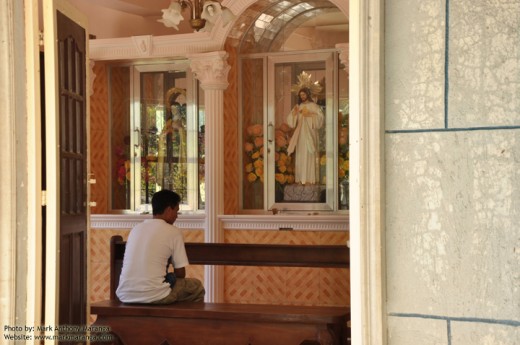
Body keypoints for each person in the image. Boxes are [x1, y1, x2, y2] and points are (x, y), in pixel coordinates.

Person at [116, 189, 205, 304]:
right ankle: (179, 321)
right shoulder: (173, 231)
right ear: (168, 210)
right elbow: (180, 273)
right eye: (176, 211)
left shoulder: (136, 229)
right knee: (196, 287)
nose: (177, 216)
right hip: (155, 295)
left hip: (125, 294)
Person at [286, 87, 324, 185]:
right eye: (301, 95)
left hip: (310, 135)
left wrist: (310, 114)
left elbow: (320, 119)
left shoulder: (314, 106)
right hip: (300, 135)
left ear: (307, 94)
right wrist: (294, 113)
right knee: (300, 155)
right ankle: (300, 179)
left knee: (310, 154)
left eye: (304, 94)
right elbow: (291, 121)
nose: (302, 96)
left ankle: (310, 179)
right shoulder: (299, 106)